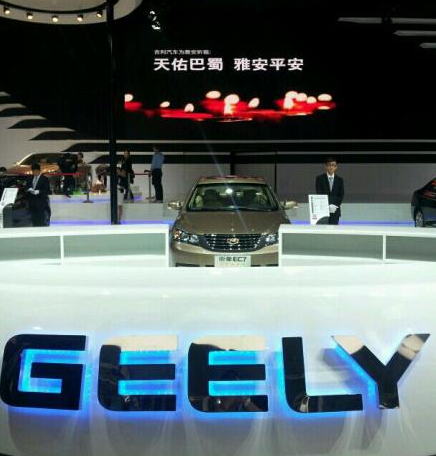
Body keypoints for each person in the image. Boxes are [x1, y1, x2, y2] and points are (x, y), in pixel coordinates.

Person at [315, 156, 344, 225]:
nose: (331, 167)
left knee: (334, 230)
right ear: (326, 166)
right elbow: (319, 194)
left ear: (336, 167)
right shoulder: (319, 179)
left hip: (335, 211)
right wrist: (328, 206)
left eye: (333, 165)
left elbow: (341, 195)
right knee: (323, 230)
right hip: (323, 211)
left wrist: (334, 206)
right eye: (329, 165)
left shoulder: (340, 180)